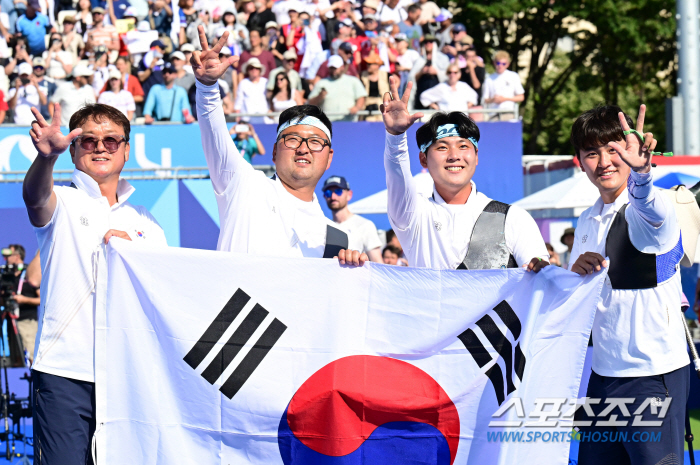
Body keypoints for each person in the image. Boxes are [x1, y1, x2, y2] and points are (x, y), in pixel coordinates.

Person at [24, 102, 167, 464]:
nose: (100, 147)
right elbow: (35, 199)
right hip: (65, 373)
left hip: (128, 375)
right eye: (87, 140)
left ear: (126, 149)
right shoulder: (63, 200)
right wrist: (46, 159)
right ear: (72, 149)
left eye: (111, 140)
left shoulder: (147, 223)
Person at [567, 105, 689, 465]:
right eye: (593, 152)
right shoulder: (586, 220)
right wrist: (570, 273)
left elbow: (648, 203)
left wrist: (643, 174)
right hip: (603, 375)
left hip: (653, 374)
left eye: (614, 149)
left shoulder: (650, 208)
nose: (605, 161)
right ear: (580, 161)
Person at [192, 25, 366, 265]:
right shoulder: (243, 183)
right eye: (293, 139)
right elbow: (214, 132)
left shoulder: (338, 241)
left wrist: (350, 274)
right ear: (274, 152)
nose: (303, 148)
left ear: (329, 158)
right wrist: (207, 86)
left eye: (316, 142)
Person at [381, 76, 548, 271]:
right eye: (442, 148)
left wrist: (541, 269)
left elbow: (544, 279)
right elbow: (397, 176)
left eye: (463, 146)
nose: (454, 156)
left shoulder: (513, 218)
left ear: (476, 156)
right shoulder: (414, 216)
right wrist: (395, 137)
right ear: (423, 159)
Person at [323, 175, 383, 262]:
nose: (333, 197)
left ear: (349, 195)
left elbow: (377, 263)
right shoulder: (324, 227)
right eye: (328, 192)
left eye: (338, 191)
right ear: (324, 197)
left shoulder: (365, 225)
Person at [1, 244, 40, 363]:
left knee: (31, 356)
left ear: (17, 256)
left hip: (27, 322)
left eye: (9, 255)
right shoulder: (5, 276)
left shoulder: (29, 274)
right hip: (6, 322)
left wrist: (24, 299)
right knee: (8, 358)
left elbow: (41, 299)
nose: (5, 259)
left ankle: (35, 379)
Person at [308, 55, 366, 122]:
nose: (333, 70)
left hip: (349, 122)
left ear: (342, 67)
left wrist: (357, 107)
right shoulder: (321, 83)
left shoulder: (353, 81)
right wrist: (319, 97)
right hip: (328, 123)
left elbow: (361, 96)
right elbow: (310, 103)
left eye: (335, 68)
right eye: (331, 68)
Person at [410, 34, 449, 109]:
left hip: (437, 93)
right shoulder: (419, 60)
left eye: (430, 42)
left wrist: (437, 72)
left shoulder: (442, 58)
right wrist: (421, 72)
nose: (428, 44)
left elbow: (449, 75)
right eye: (426, 42)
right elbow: (411, 78)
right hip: (421, 92)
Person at [482, 50, 524, 121]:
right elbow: (485, 100)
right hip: (493, 114)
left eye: (503, 64)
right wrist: (493, 99)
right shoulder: (489, 79)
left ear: (508, 64)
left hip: (509, 113)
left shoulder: (513, 76)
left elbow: (521, 97)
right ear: (494, 63)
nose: (500, 66)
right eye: (498, 63)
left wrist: (504, 99)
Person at [234, 57, 269, 123]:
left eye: (256, 68)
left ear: (260, 70)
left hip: (265, 119)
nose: (254, 70)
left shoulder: (266, 82)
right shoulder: (243, 83)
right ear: (248, 70)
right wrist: (238, 118)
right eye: (251, 68)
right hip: (247, 120)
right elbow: (238, 102)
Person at [360, 52, 388, 122]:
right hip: (367, 105)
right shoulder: (362, 76)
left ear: (377, 65)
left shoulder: (386, 75)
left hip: (381, 105)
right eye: (367, 64)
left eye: (370, 64)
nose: (368, 66)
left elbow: (397, 81)